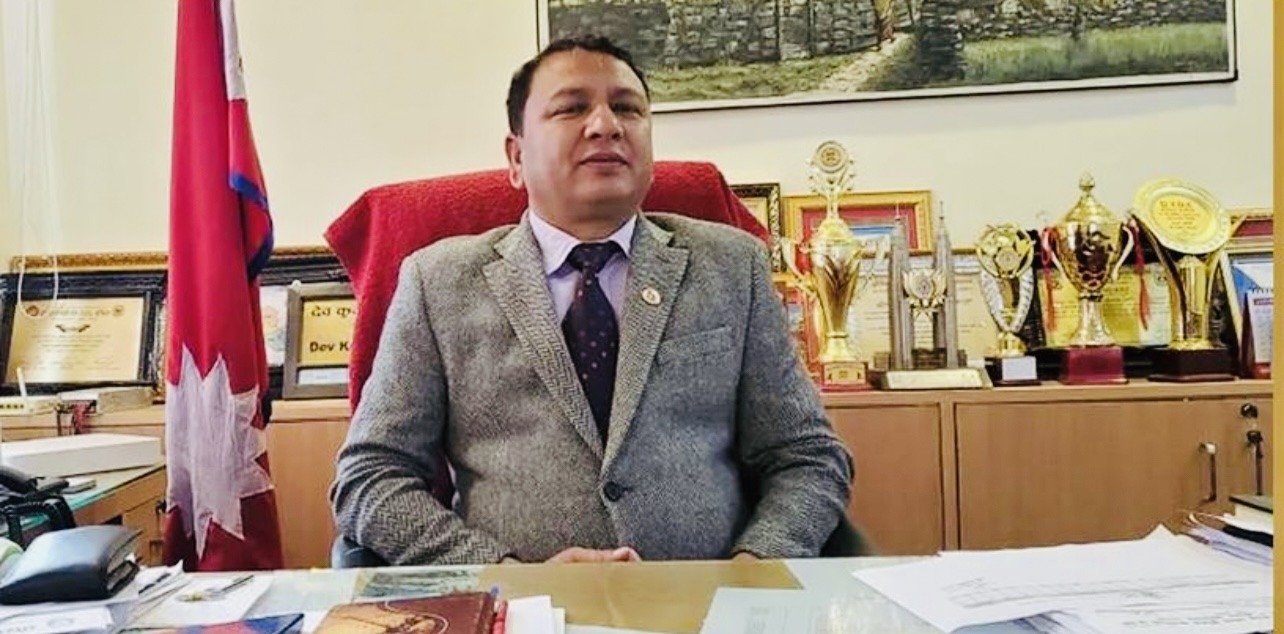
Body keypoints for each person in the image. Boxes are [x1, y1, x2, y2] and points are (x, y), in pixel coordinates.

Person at [329, 35, 853, 565]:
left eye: (627, 108)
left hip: (710, 598)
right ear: (516, 157)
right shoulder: (438, 283)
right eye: (572, 108)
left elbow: (807, 457)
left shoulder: (731, 266)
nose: (606, 125)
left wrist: (756, 567)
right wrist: (503, 575)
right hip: (517, 602)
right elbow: (370, 477)